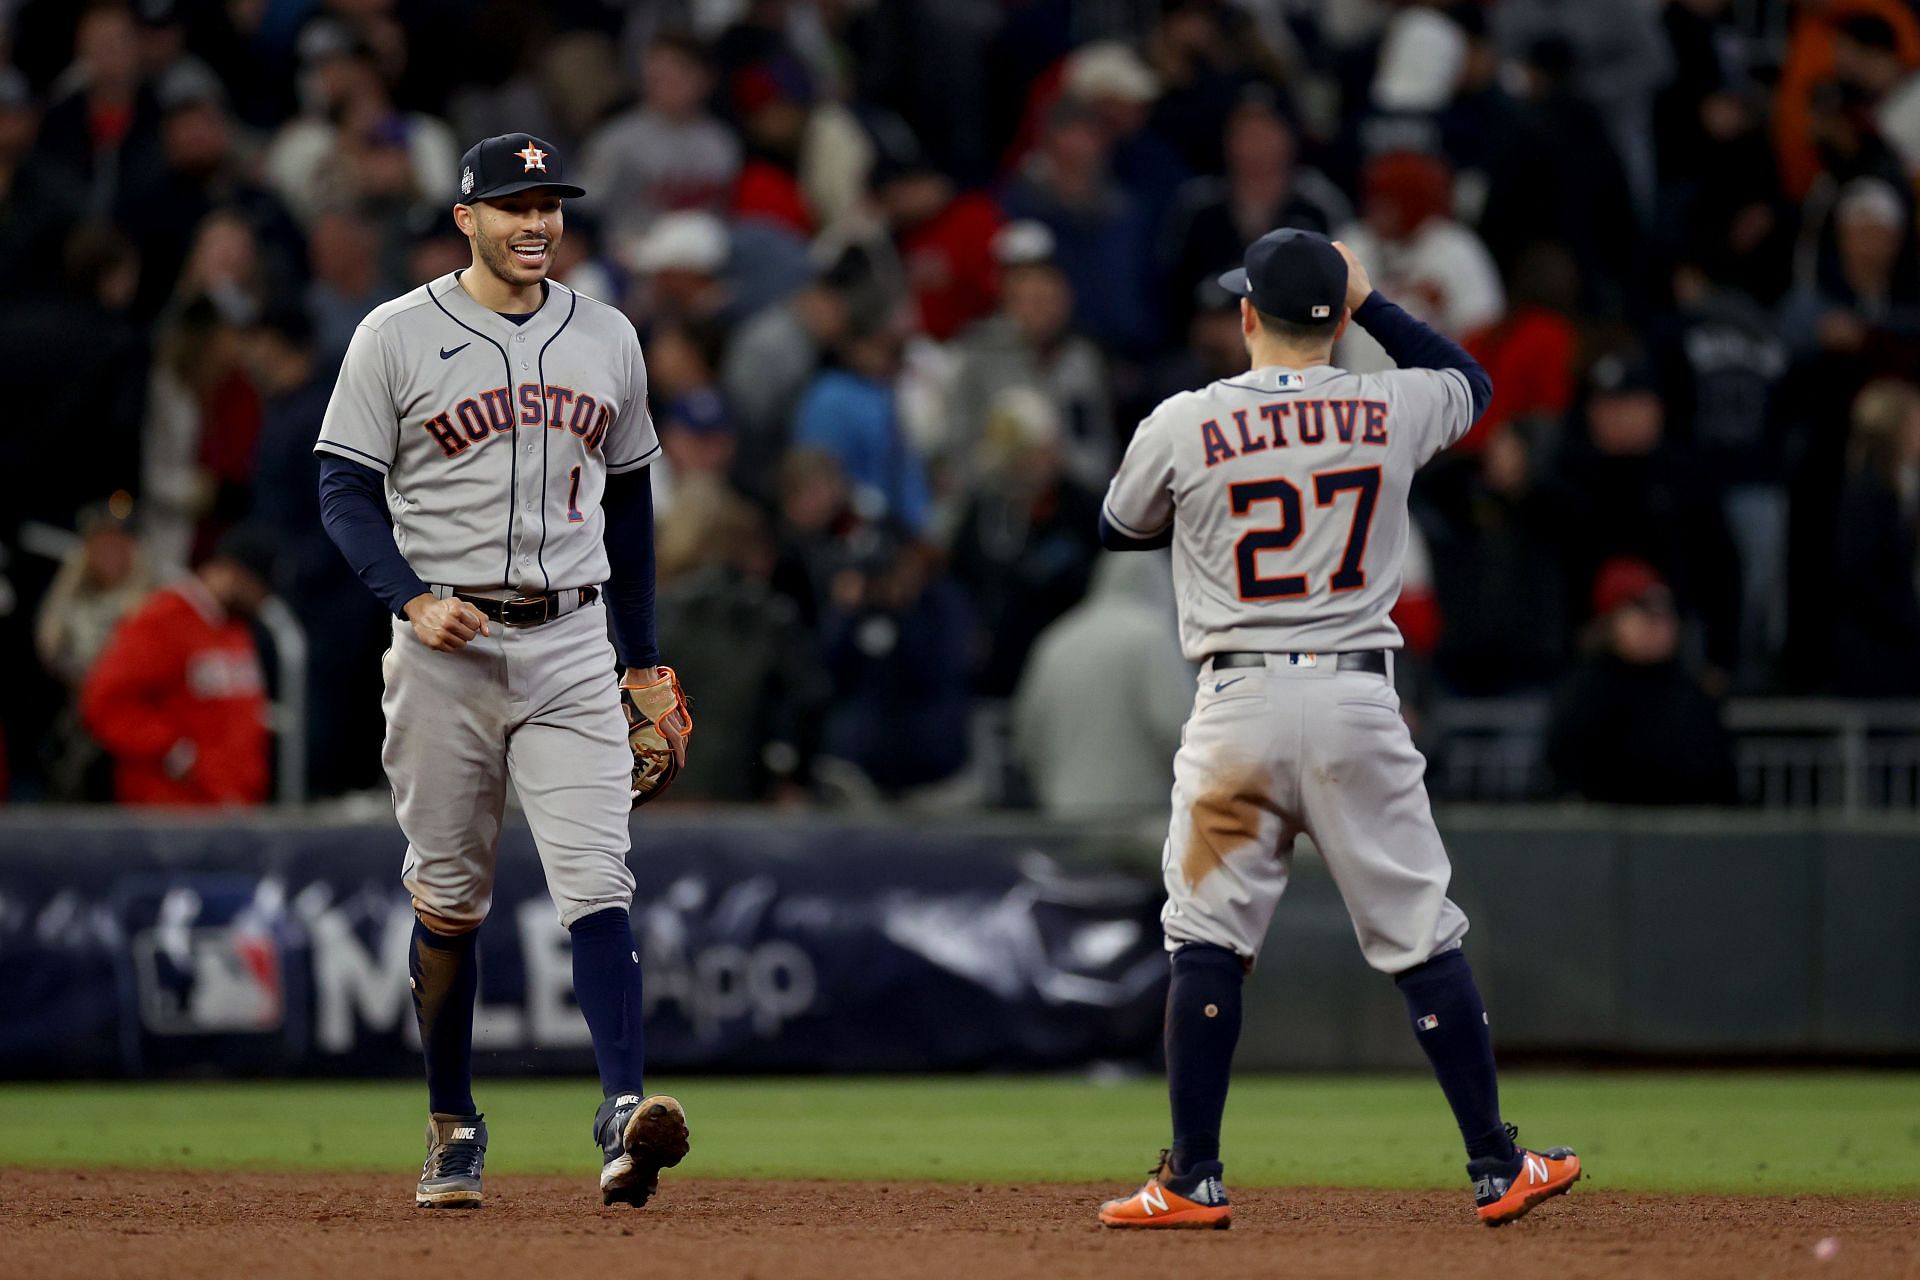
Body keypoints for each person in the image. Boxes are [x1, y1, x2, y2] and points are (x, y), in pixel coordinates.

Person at [1094, 229, 1579, 1230]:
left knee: (1208, 937)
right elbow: (1471, 382)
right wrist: (1372, 306)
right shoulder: (1392, 402)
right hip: (1361, 695)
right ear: (1341, 313)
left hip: (1238, 701)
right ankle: (1497, 1164)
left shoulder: (1186, 419)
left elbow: (1117, 524)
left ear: (1245, 315)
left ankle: (1192, 1177)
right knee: (1419, 933)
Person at [312, 133, 689, 1210]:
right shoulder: (396, 334)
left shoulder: (608, 336)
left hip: (571, 640)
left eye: (551, 204)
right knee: (450, 898)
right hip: (447, 649)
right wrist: (410, 594)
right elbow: (343, 488)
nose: (537, 222)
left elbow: (629, 502)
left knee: (597, 877)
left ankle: (624, 1111)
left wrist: (644, 655)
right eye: (515, 204)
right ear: (466, 217)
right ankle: (451, 1119)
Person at [79, 524, 274, 807]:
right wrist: (174, 752)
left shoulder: (234, 626)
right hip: (171, 814)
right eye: (259, 589)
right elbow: (104, 702)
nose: (261, 602)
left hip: (229, 808)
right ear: (232, 574)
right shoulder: (162, 620)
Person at [1545, 559, 1740, 804]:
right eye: (1643, 608)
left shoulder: (1688, 691)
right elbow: (1566, 764)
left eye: (1666, 609)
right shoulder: (1587, 690)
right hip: (1605, 832)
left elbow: (1717, 771)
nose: (1659, 621)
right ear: (1612, 620)